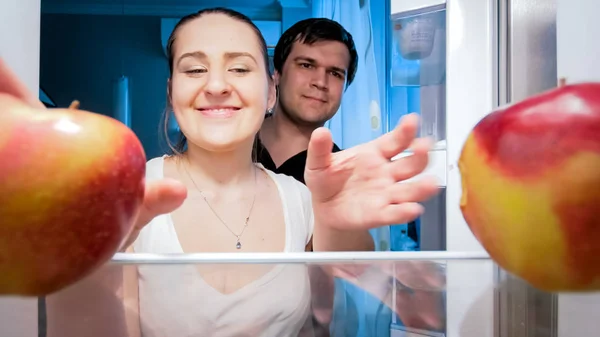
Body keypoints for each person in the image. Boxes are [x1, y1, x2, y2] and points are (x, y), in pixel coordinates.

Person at [0, 7, 439, 337]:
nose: (215, 84)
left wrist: (341, 227)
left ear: (270, 91)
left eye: (239, 68)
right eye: (194, 69)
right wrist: (85, 255)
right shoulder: (132, 194)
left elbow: (333, 319)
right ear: (173, 94)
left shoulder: (304, 198)